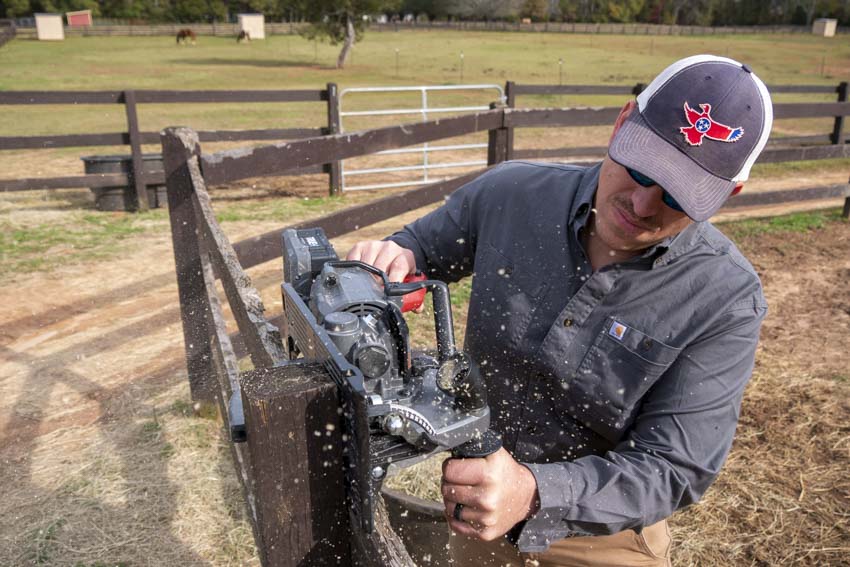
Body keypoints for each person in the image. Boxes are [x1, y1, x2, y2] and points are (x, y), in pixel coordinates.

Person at [347, 55, 773, 566]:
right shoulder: (511, 194)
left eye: (677, 197)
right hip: (472, 500)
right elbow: (417, 248)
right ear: (621, 122)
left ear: (730, 194)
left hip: (599, 534)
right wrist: (393, 259)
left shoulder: (725, 298)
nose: (641, 205)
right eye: (640, 168)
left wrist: (530, 490)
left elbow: (675, 467)